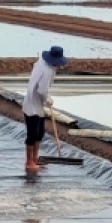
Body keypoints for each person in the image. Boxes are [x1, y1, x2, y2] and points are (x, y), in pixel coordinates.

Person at [23, 45, 68, 174]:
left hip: (37, 105)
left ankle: (36, 158)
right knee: (32, 135)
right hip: (32, 104)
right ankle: (29, 162)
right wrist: (48, 99)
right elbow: (41, 90)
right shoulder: (47, 70)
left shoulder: (41, 63)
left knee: (40, 133)